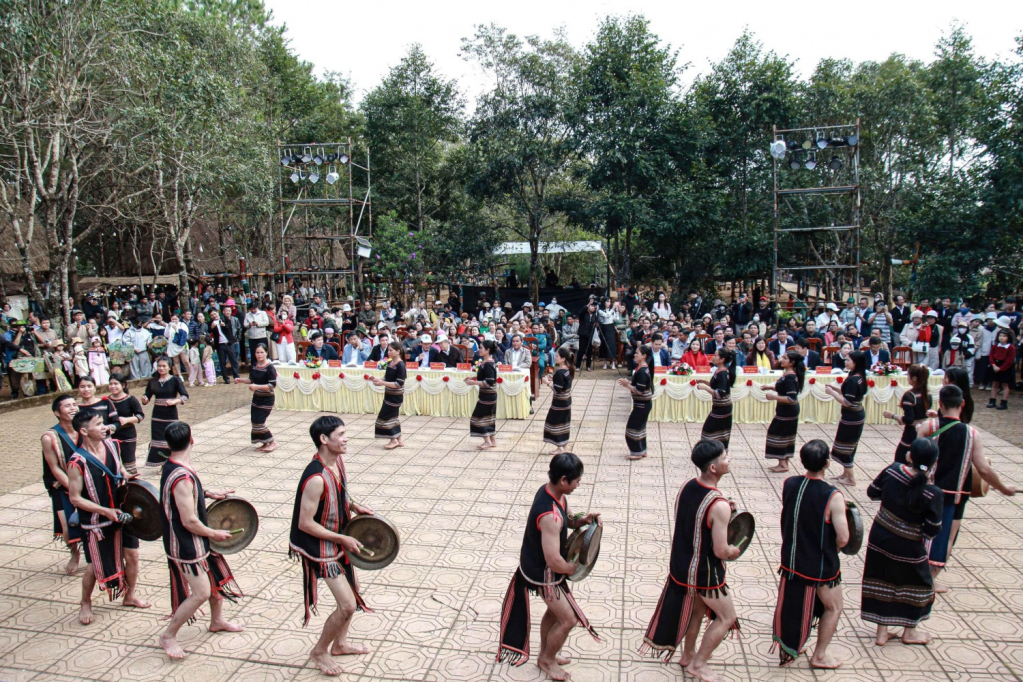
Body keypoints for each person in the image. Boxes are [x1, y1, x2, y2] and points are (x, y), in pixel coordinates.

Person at [641, 440, 739, 680]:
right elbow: (719, 551)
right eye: (725, 458)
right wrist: (732, 551)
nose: (729, 460)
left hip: (681, 565)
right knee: (727, 617)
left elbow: (696, 519)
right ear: (713, 468)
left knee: (697, 612)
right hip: (704, 572)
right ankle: (699, 664)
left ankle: (689, 655)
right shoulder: (719, 505)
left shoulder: (688, 486)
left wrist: (725, 512)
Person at [497, 453, 600, 679]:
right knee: (568, 619)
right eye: (576, 481)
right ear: (564, 480)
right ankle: (546, 660)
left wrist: (582, 521)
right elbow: (554, 560)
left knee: (554, 614)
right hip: (543, 574)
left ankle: (547, 653)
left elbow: (569, 519)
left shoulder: (551, 491)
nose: (578, 484)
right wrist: (572, 569)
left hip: (539, 565)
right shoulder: (550, 517)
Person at [289, 416, 374, 676]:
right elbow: (305, 523)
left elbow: (336, 496)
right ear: (324, 440)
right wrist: (342, 539)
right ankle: (319, 651)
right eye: (341, 434)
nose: (346, 438)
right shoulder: (315, 478)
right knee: (348, 604)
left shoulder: (337, 461)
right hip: (319, 545)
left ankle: (340, 644)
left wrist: (353, 506)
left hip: (337, 536)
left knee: (354, 590)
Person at [917, 384, 1016, 593]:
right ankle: (930, 579)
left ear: (940, 403)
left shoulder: (928, 427)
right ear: (962, 404)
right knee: (946, 537)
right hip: (955, 495)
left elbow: (914, 457)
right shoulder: (972, 434)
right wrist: (1003, 488)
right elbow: (984, 469)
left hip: (926, 490)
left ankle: (915, 573)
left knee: (920, 531)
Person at [157, 421, 242, 659]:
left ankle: (217, 621)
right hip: (186, 543)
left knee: (214, 577)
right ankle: (168, 636)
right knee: (201, 592)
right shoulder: (181, 475)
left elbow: (185, 495)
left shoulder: (174, 463)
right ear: (191, 440)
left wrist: (208, 493)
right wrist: (214, 533)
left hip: (198, 540)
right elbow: (189, 521)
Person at [66, 410, 150, 625]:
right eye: (99, 424)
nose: (105, 427)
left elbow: (119, 468)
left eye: (104, 423)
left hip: (122, 513)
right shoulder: (76, 462)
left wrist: (127, 476)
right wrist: (105, 511)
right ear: (84, 431)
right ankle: (85, 602)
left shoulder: (112, 445)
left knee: (132, 556)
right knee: (95, 566)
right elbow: (75, 499)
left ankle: (129, 595)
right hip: (97, 521)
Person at [772, 439, 848, 667]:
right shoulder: (833, 496)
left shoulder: (790, 483)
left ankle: (793, 645)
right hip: (820, 565)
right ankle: (820, 656)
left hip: (792, 560)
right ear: (827, 463)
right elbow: (844, 538)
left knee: (793, 606)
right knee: (833, 607)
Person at [861, 438, 943, 646]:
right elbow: (932, 530)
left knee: (881, 578)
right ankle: (910, 631)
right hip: (909, 545)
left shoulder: (893, 471)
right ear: (934, 463)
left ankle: (882, 631)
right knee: (921, 585)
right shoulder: (933, 493)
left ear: (909, 456)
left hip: (880, 537)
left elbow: (872, 492)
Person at [42, 395, 82, 575]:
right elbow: (55, 468)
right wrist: (75, 489)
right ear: (57, 413)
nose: (73, 408)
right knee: (67, 528)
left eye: (75, 404)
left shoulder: (85, 429)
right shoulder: (50, 437)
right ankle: (74, 554)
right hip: (61, 486)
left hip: (87, 482)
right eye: (67, 406)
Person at [826, 350, 868, 487]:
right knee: (846, 444)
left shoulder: (854, 380)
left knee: (846, 446)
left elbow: (847, 402)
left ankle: (851, 478)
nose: (846, 361)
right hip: (854, 414)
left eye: (848, 360)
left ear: (855, 363)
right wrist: (836, 389)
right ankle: (845, 473)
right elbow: (849, 394)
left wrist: (832, 393)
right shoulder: (857, 376)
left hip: (852, 416)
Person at [760, 350, 806, 473]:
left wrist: (774, 396)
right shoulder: (789, 375)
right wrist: (771, 387)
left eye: (785, 358)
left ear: (792, 363)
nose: (781, 359)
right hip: (786, 411)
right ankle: (783, 462)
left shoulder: (790, 377)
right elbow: (784, 389)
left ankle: (783, 463)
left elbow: (791, 398)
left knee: (779, 434)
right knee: (785, 435)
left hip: (788, 411)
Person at [141, 356, 189, 468]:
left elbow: (185, 396)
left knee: (171, 438)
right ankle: (162, 463)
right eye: (159, 366)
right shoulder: (153, 381)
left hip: (170, 415)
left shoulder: (175, 380)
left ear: (169, 367)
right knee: (158, 439)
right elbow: (147, 395)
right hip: (157, 416)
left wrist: (174, 402)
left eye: (164, 366)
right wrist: (145, 399)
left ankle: (172, 462)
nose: (161, 368)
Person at [883, 364, 931, 464]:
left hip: (911, 433)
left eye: (908, 375)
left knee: (900, 460)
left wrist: (893, 416)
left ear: (914, 378)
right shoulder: (928, 394)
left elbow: (909, 419)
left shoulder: (910, 395)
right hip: (925, 430)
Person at [234, 344, 278, 452]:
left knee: (260, 421)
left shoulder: (270, 367)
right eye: (257, 353)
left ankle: (272, 442)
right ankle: (264, 442)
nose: (259, 355)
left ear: (266, 353)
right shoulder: (254, 366)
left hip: (267, 399)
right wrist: (241, 380)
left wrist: (257, 387)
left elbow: (272, 385)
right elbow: (252, 380)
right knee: (254, 420)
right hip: (257, 397)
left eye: (261, 352)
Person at [105, 373, 145, 476]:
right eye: (111, 384)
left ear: (123, 385)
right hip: (111, 436)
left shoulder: (131, 399)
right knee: (113, 462)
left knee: (128, 463)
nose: (113, 386)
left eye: (116, 384)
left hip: (128, 435)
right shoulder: (106, 401)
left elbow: (140, 416)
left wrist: (127, 420)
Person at [370, 342, 407, 450]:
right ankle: (398, 439)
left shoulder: (400, 365)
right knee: (393, 417)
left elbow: (398, 383)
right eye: (388, 350)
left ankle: (393, 439)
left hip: (395, 396)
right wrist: (378, 380)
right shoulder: (391, 363)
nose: (388, 352)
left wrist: (383, 383)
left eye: (391, 350)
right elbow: (387, 377)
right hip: (389, 394)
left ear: (398, 352)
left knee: (385, 417)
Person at [696, 348, 735, 448]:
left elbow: (719, 393)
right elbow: (716, 386)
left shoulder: (722, 373)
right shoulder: (719, 371)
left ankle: (716, 453)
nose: (713, 357)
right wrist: (704, 381)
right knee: (716, 432)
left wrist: (704, 388)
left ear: (722, 359)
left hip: (722, 408)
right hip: (719, 407)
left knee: (709, 431)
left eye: (716, 355)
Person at [619, 345, 653, 460]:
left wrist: (627, 385)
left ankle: (637, 451)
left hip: (642, 405)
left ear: (644, 356)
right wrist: (629, 383)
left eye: (637, 353)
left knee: (632, 428)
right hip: (643, 404)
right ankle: (642, 450)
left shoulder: (642, 371)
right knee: (640, 428)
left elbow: (639, 390)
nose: (634, 355)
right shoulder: (642, 368)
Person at [467, 339, 499, 450]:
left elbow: (489, 382)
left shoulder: (489, 364)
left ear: (487, 350)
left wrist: (473, 383)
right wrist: (474, 378)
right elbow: (484, 378)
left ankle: (487, 441)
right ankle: (493, 440)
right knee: (489, 417)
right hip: (488, 395)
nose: (479, 350)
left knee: (477, 418)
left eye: (481, 348)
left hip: (488, 395)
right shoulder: (486, 362)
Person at [542, 348, 574, 455]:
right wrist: (553, 379)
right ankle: (564, 446)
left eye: (557, 356)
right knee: (564, 424)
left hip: (559, 403)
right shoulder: (568, 370)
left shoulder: (560, 372)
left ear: (563, 359)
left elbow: (557, 389)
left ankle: (560, 447)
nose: (555, 357)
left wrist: (547, 382)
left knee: (555, 423)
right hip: (567, 402)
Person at [987, 324, 1015, 410]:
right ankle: (992, 400)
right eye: (1000, 336)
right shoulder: (995, 346)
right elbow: (991, 356)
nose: (1001, 338)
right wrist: (994, 365)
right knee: (995, 383)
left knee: (1005, 384)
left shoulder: (1011, 347)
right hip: (996, 365)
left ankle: (1004, 402)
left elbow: (1010, 360)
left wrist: (1001, 368)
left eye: (1004, 336)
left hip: (1005, 367)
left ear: (1008, 338)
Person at [211, 310, 240, 384]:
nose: (214, 316)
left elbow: (230, 327)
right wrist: (212, 327)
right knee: (222, 362)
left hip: (229, 343)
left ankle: (236, 376)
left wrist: (224, 325)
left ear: (218, 312)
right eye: (212, 315)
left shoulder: (224, 319)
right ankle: (225, 378)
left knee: (233, 360)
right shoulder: (211, 323)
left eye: (215, 314)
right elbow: (209, 331)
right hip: (220, 345)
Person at [576, 301, 599, 371]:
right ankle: (578, 366)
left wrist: (596, 324)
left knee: (589, 351)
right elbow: (580, 312)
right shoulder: (584, 314)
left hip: (590, 334)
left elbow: (597, 323)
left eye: (593, 306)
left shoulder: (595, 315)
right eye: (591, 306)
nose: (592, 307)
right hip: (583, 334)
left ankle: (588, 366)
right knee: (581, 350)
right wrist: (588, 304)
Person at [597, 298, 618, 369]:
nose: (609, 303)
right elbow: (606, 316)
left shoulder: (611, 310)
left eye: (610, 301)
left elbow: (615, 318)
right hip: (604, 327)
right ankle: (605, 362)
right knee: (605, 344)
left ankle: (613, 362)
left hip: (611, 327)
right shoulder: (600, 310)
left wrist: (616, 310)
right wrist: (613, 308)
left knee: (612, 344)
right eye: (607, 301)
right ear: (604, 302)